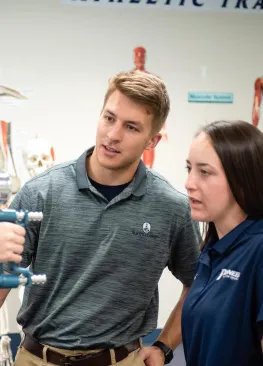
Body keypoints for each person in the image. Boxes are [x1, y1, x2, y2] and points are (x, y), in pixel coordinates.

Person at [0, 70, 200, 366]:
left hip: (122, 360)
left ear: (152, 140)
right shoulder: (41, 193)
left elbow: (197, 283)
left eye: (131, 127)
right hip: (37, 359)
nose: (113, 135)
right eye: (109, 118)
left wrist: (163, 346)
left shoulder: (172, 208)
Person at [182, 120, 263, 365]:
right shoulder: (213, 250)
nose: (189, 183)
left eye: (204, 172)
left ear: (242, 179)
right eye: (189, 169)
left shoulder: (258, 250)